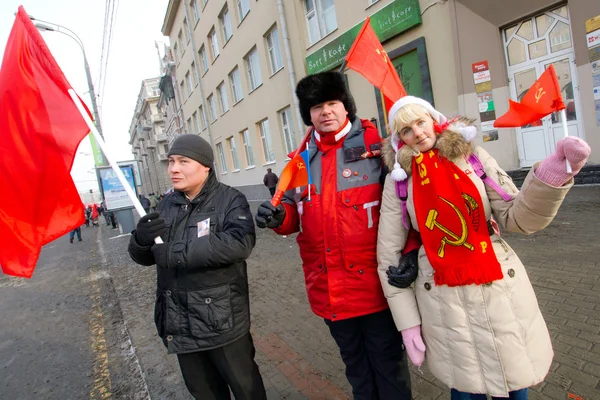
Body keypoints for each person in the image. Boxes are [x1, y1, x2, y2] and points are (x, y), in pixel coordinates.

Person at [377, 96, 591, 400]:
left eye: (421, 122)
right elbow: (388, 255)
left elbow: (517, 217)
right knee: (465, 391)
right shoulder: (399, 180)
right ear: (400, 139)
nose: (418, 133)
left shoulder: (472, 157)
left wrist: (553, 173)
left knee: (514, 380)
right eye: (407, 130)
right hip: (442, 300)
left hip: (496, 286)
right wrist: (408, 324)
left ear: (433, 119)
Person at [255, 71, 412, 399]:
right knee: (355, 366)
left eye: (332, 103)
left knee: (388, 366)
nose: (325, 111)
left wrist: (409, 253)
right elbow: (291, 211)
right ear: (308, 115)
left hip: (375, 288)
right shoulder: (301, 160)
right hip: (328, 289)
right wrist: (278, 217)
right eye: (316, 107)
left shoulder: (377, 147)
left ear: (346, 107)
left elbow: (406, 204)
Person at [128, 134, 266, 400]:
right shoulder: (167, 204)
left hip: (221, 320)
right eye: (170, 162)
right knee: (205, 393)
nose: (173, 169)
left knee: (246, 389)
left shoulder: (230, 200)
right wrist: (140, 241)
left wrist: (174, 251)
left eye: (183, 161)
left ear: (205, 166)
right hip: (180, 321)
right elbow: (146, 257)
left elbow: (239, 243)